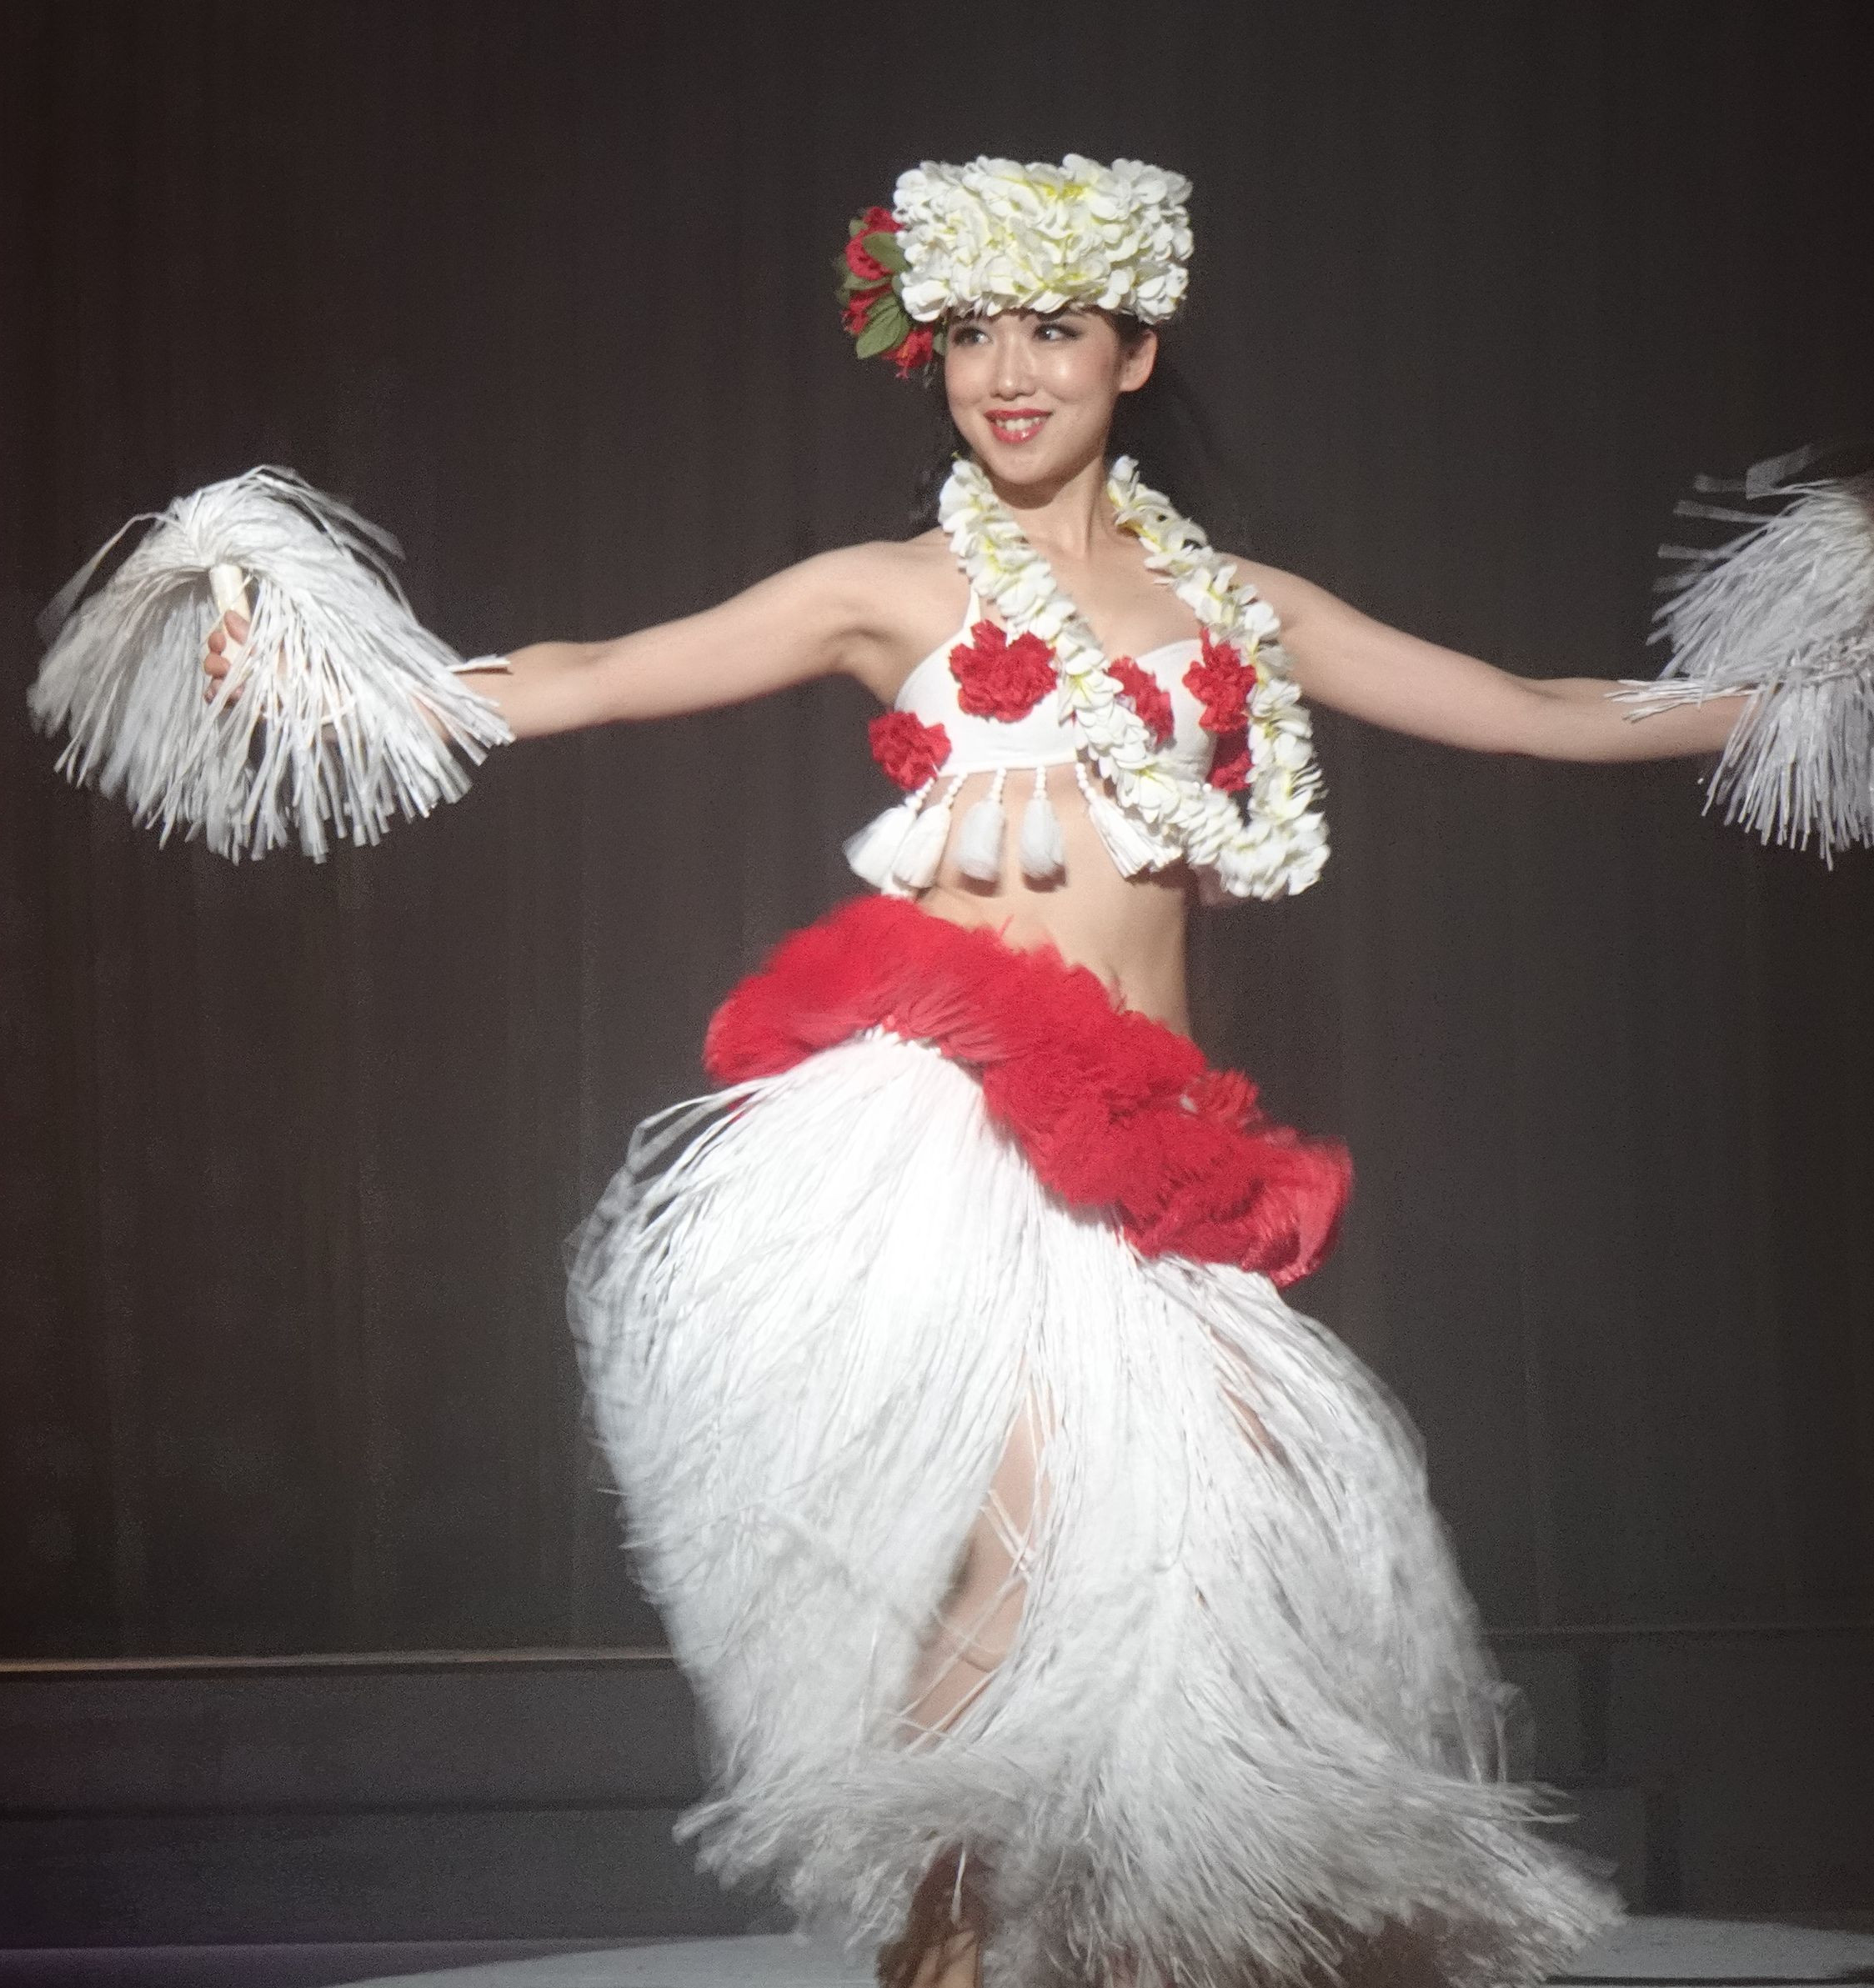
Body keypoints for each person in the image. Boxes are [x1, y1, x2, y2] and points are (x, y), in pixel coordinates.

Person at [203, 155, 1746, 1988]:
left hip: (1149, 1149)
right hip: (951, 1127)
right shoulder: (887, 589)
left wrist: (1789, 697)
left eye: (1053, 330)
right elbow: (597, 668)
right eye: (969, 336)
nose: (1007, 373)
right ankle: (935, 1948)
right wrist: (343, 691)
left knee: (1202, 1550)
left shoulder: (1236, 607)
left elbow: (1535, 709)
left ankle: (1104, 1941)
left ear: (1132, 351)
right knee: (1012, 1565)